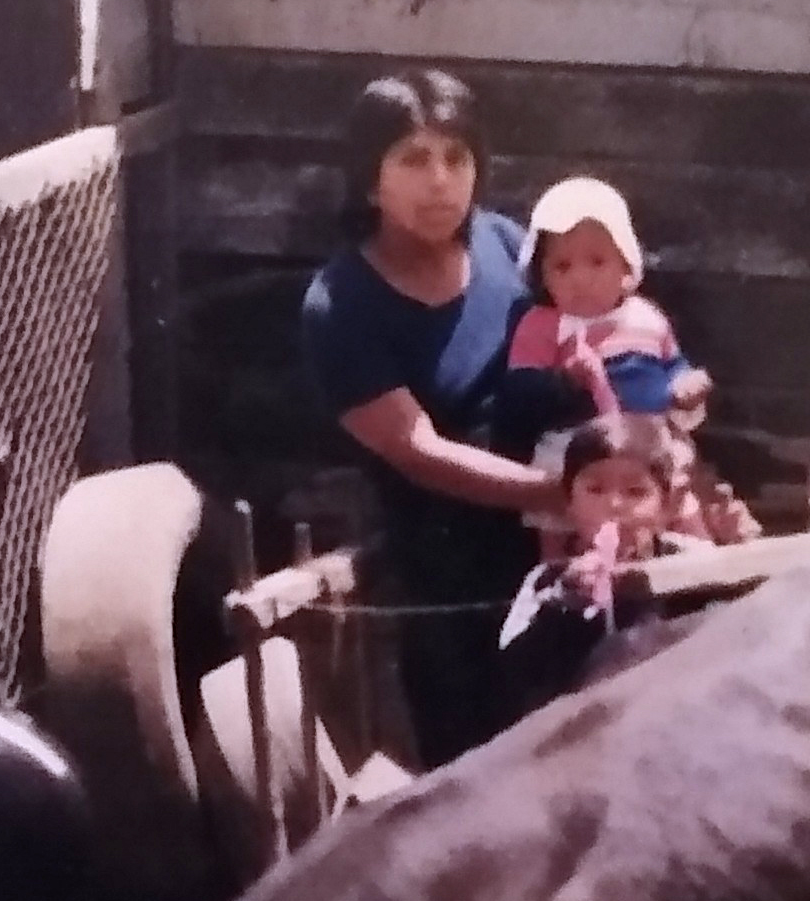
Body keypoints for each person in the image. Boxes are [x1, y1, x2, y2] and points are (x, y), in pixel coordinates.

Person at [301, 71, 555, 766]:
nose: (440, 181)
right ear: (368, 178)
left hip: (561, 554)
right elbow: (416, 449)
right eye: (414, 159)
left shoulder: (510, 246)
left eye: (457, 157)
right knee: (479, 771)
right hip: (451, 579)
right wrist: (552, 493)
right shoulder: (342, 304)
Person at [493, 176, 711, 465]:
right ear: (542, 276)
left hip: (652, 448)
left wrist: (688, 387)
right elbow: (519, 396)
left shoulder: (648, 318)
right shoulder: (543, 325)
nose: (581, 279)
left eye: (597, 261)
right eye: (562, 266)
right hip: (575, 459)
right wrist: (565, 381)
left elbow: (672, 367)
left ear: (625, 265)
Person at [494, 413, 697, 721]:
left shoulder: (693, 567)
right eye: (596, 489)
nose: (614, 504)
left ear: (665, 506)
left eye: (636, 492)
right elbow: (515, 673)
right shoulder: (548, 582)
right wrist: (565, 606)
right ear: (569, 502)